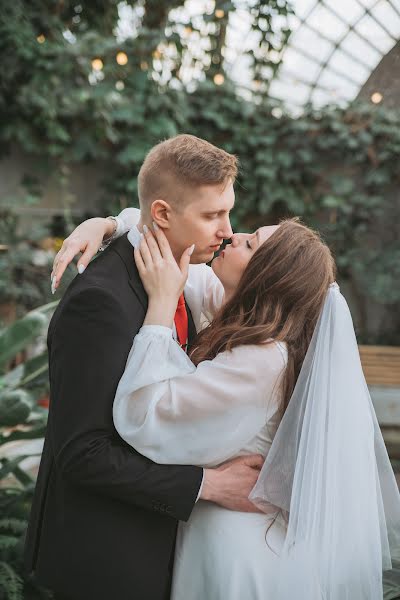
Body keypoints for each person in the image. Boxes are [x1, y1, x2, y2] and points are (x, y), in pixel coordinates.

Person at [53, 210, 400, 599]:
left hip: (238, 547)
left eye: (250, 244)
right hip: (215, 527)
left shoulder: (263, 359)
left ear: (264, 280)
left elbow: (146, 417)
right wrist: (107, 225)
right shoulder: (233, 308)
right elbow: (164, 233)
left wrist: (161, 308)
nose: (235, 235)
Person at [24, 135, 266, 600]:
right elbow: (82, 454)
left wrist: (111, 222)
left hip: (161, 546)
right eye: (212, 215)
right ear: (162, 215)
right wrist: (210, 484)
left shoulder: (185, 273)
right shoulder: (101, 300)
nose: (226, 230)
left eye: (228, 212)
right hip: (106, 558)